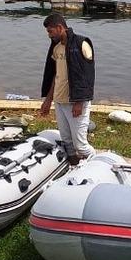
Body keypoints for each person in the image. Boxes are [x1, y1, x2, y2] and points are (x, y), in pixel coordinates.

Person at [39, 13, 95, 165]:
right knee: (67, 143)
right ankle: (74, 166)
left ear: (59, 28)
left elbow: (87, 76)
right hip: (59, 101)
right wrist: (48, 100)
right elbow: (55, 75)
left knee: (81, 146)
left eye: (50, 31)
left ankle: (97, 163)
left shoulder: (81, 44)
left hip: (75, 103)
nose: (49, 35)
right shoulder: (57, 49)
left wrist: (79, 102)